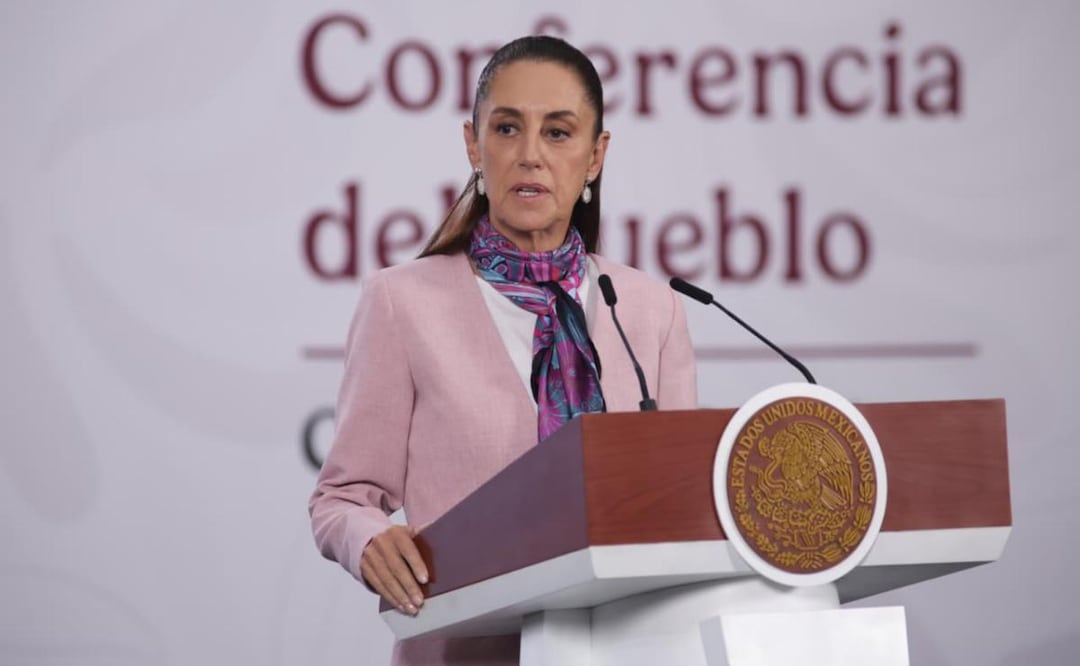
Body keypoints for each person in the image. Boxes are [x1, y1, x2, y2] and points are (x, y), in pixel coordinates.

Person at [309, 35, 697, 666]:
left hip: (630, 646)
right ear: (473, 145)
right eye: (509, 128)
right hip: (466, 649)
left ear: (596, 156)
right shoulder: (400, 302)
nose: (531, 156)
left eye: (559, 133)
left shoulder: (651, 310)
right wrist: (369, 540)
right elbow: (343, 497)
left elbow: (683, 505)